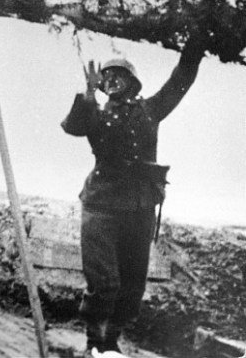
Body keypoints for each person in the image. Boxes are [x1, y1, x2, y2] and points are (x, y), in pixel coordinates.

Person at [62, 34, 206, 355]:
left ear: (132, 82)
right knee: (104, 282)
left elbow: (179, 82)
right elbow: (74, 126)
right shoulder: (95, 113)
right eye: (106, 77)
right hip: (101, 205)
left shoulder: (150, 110)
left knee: (132, 285)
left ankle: (110, 342)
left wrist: (194, 49)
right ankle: (94, 343)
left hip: (140, 205)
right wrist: (87, 93)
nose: (112, 81)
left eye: (119, 75)